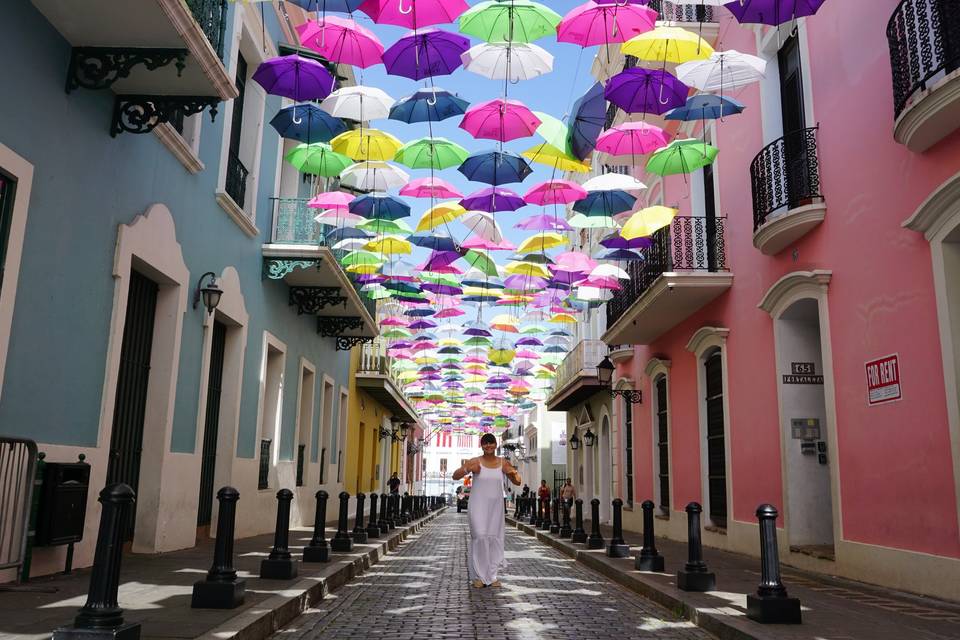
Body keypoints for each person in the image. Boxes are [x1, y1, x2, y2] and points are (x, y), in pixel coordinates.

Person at [452, 433, 521, 588]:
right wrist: (466, 468)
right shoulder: (475, 461)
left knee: (494, 538)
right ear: (481, 445)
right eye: (485, 443)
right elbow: (455, 476)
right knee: (480, 536)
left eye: (491, 443)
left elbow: (517, 481)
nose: (488, 446)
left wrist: (513, 473)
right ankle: (478, 576)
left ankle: (492, 576)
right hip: (478, 506)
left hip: (495, 507)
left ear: (495, 445)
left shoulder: (503, 463)